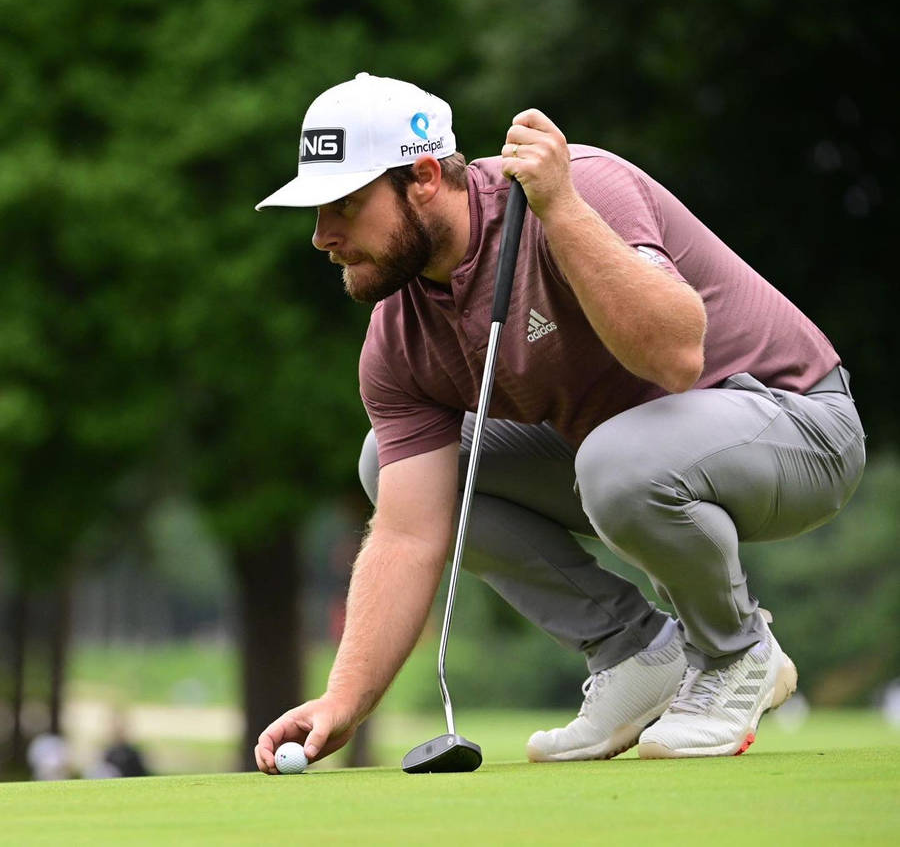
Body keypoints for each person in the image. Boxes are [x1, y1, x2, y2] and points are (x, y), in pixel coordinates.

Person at [253, 72, 865, 770]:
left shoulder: (578, 188)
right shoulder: (398, 338)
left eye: (346, 205)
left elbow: (676, 357)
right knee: (384, 467)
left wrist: (563, 209)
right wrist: (344, 699)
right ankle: (637, 652)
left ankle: (736, 653)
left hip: (800, 427)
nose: (322, 236)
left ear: (423, 176)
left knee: (617, 460)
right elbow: (406, 534)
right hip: (630, 455)